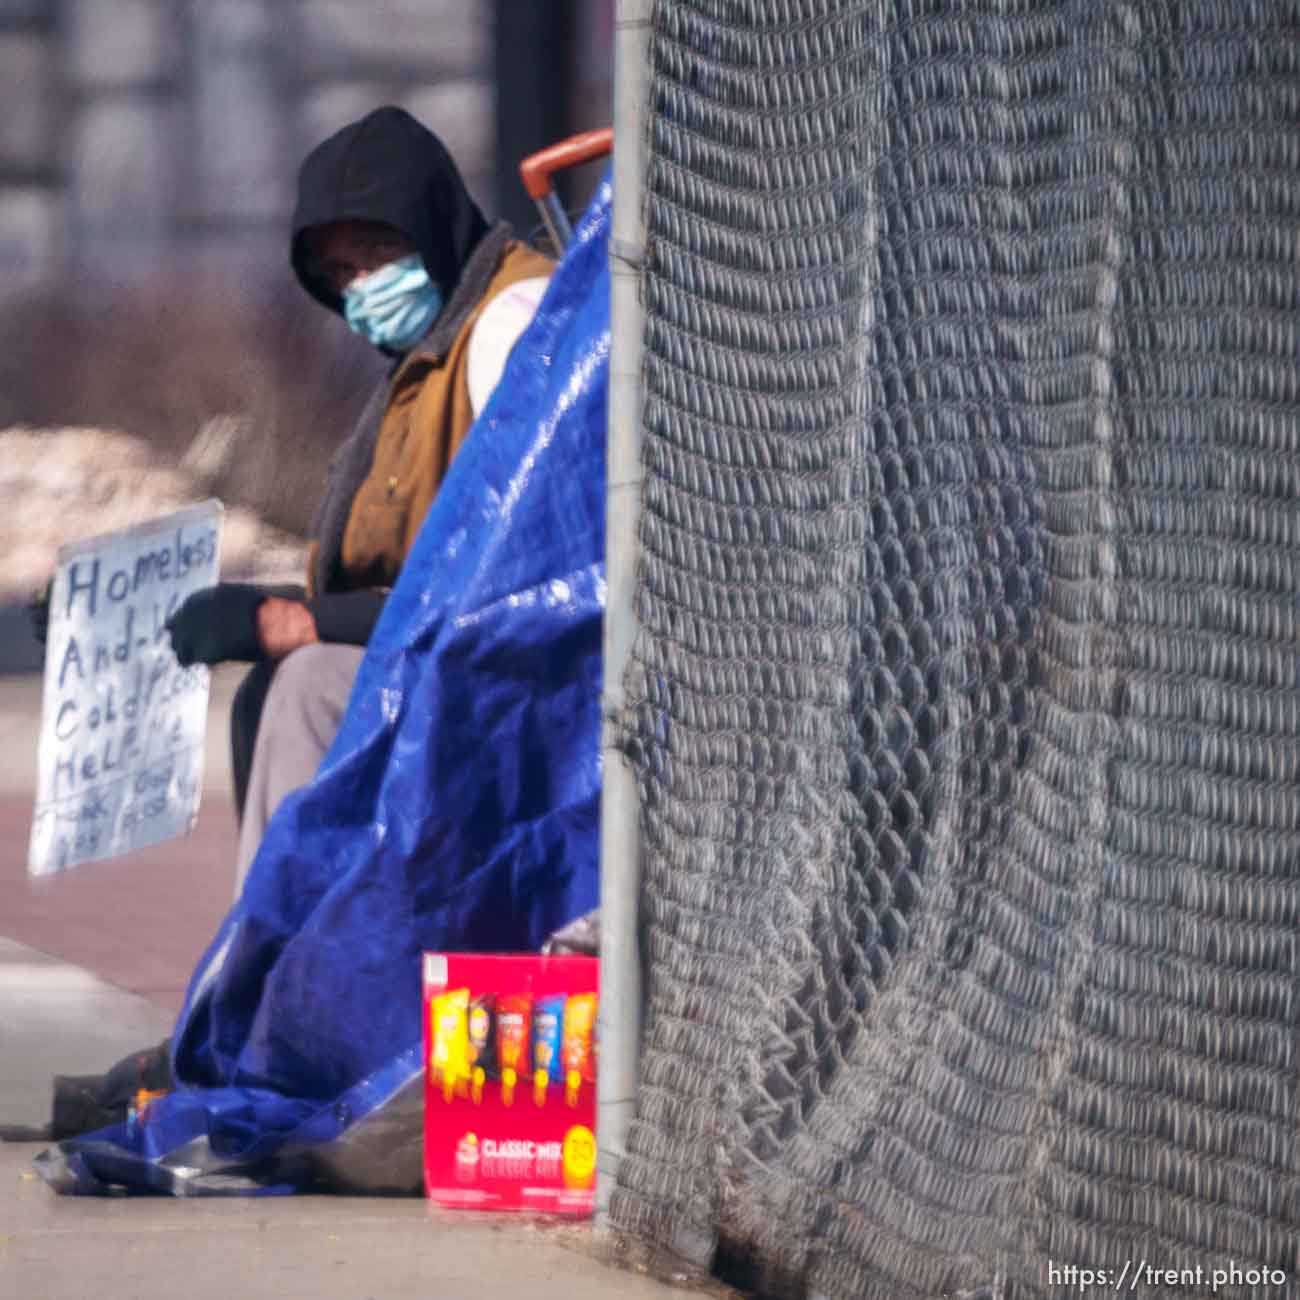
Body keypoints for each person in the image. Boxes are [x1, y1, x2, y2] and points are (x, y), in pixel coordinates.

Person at [162, 105, 553, 891]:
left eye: (378, 251)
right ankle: (278, 964)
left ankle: (278, 982)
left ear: (435, 223)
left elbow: (515, 567)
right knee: (279, 682)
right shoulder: (422, 359)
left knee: (309, 682)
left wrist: (302, 621)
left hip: (532, 682)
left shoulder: (512, 322)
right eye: (341, 273)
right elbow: (395, 574)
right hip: (450, 658)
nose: (362, 287)